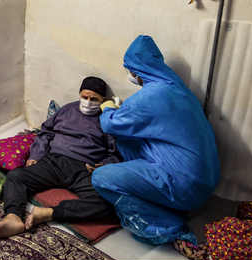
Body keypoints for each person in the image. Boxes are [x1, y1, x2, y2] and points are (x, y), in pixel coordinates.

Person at [92, 35, 220, 245]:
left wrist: (107, 108)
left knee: (101, 178)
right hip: (206, 180)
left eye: (129, 70)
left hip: (187, 187)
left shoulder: (149, 96)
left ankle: (167, 226)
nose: (130, 75)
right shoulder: (176, 86)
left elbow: (110, 125)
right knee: (128, 141)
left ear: (136, 70)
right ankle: (162, 199)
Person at [0, 77, 122, 238]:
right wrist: (36, 154)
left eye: (94, 99)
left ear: (103, 100)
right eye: (85, 97)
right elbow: (45, 133)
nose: (88, 102)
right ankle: (13, 217)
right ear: (79, 93)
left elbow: (116, 153)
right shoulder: (67, 110)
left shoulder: (108, 119)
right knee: (15, 176)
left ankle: (47, 213)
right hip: (54, 161)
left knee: (105, 203)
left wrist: (103, 166)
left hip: (85, 169)